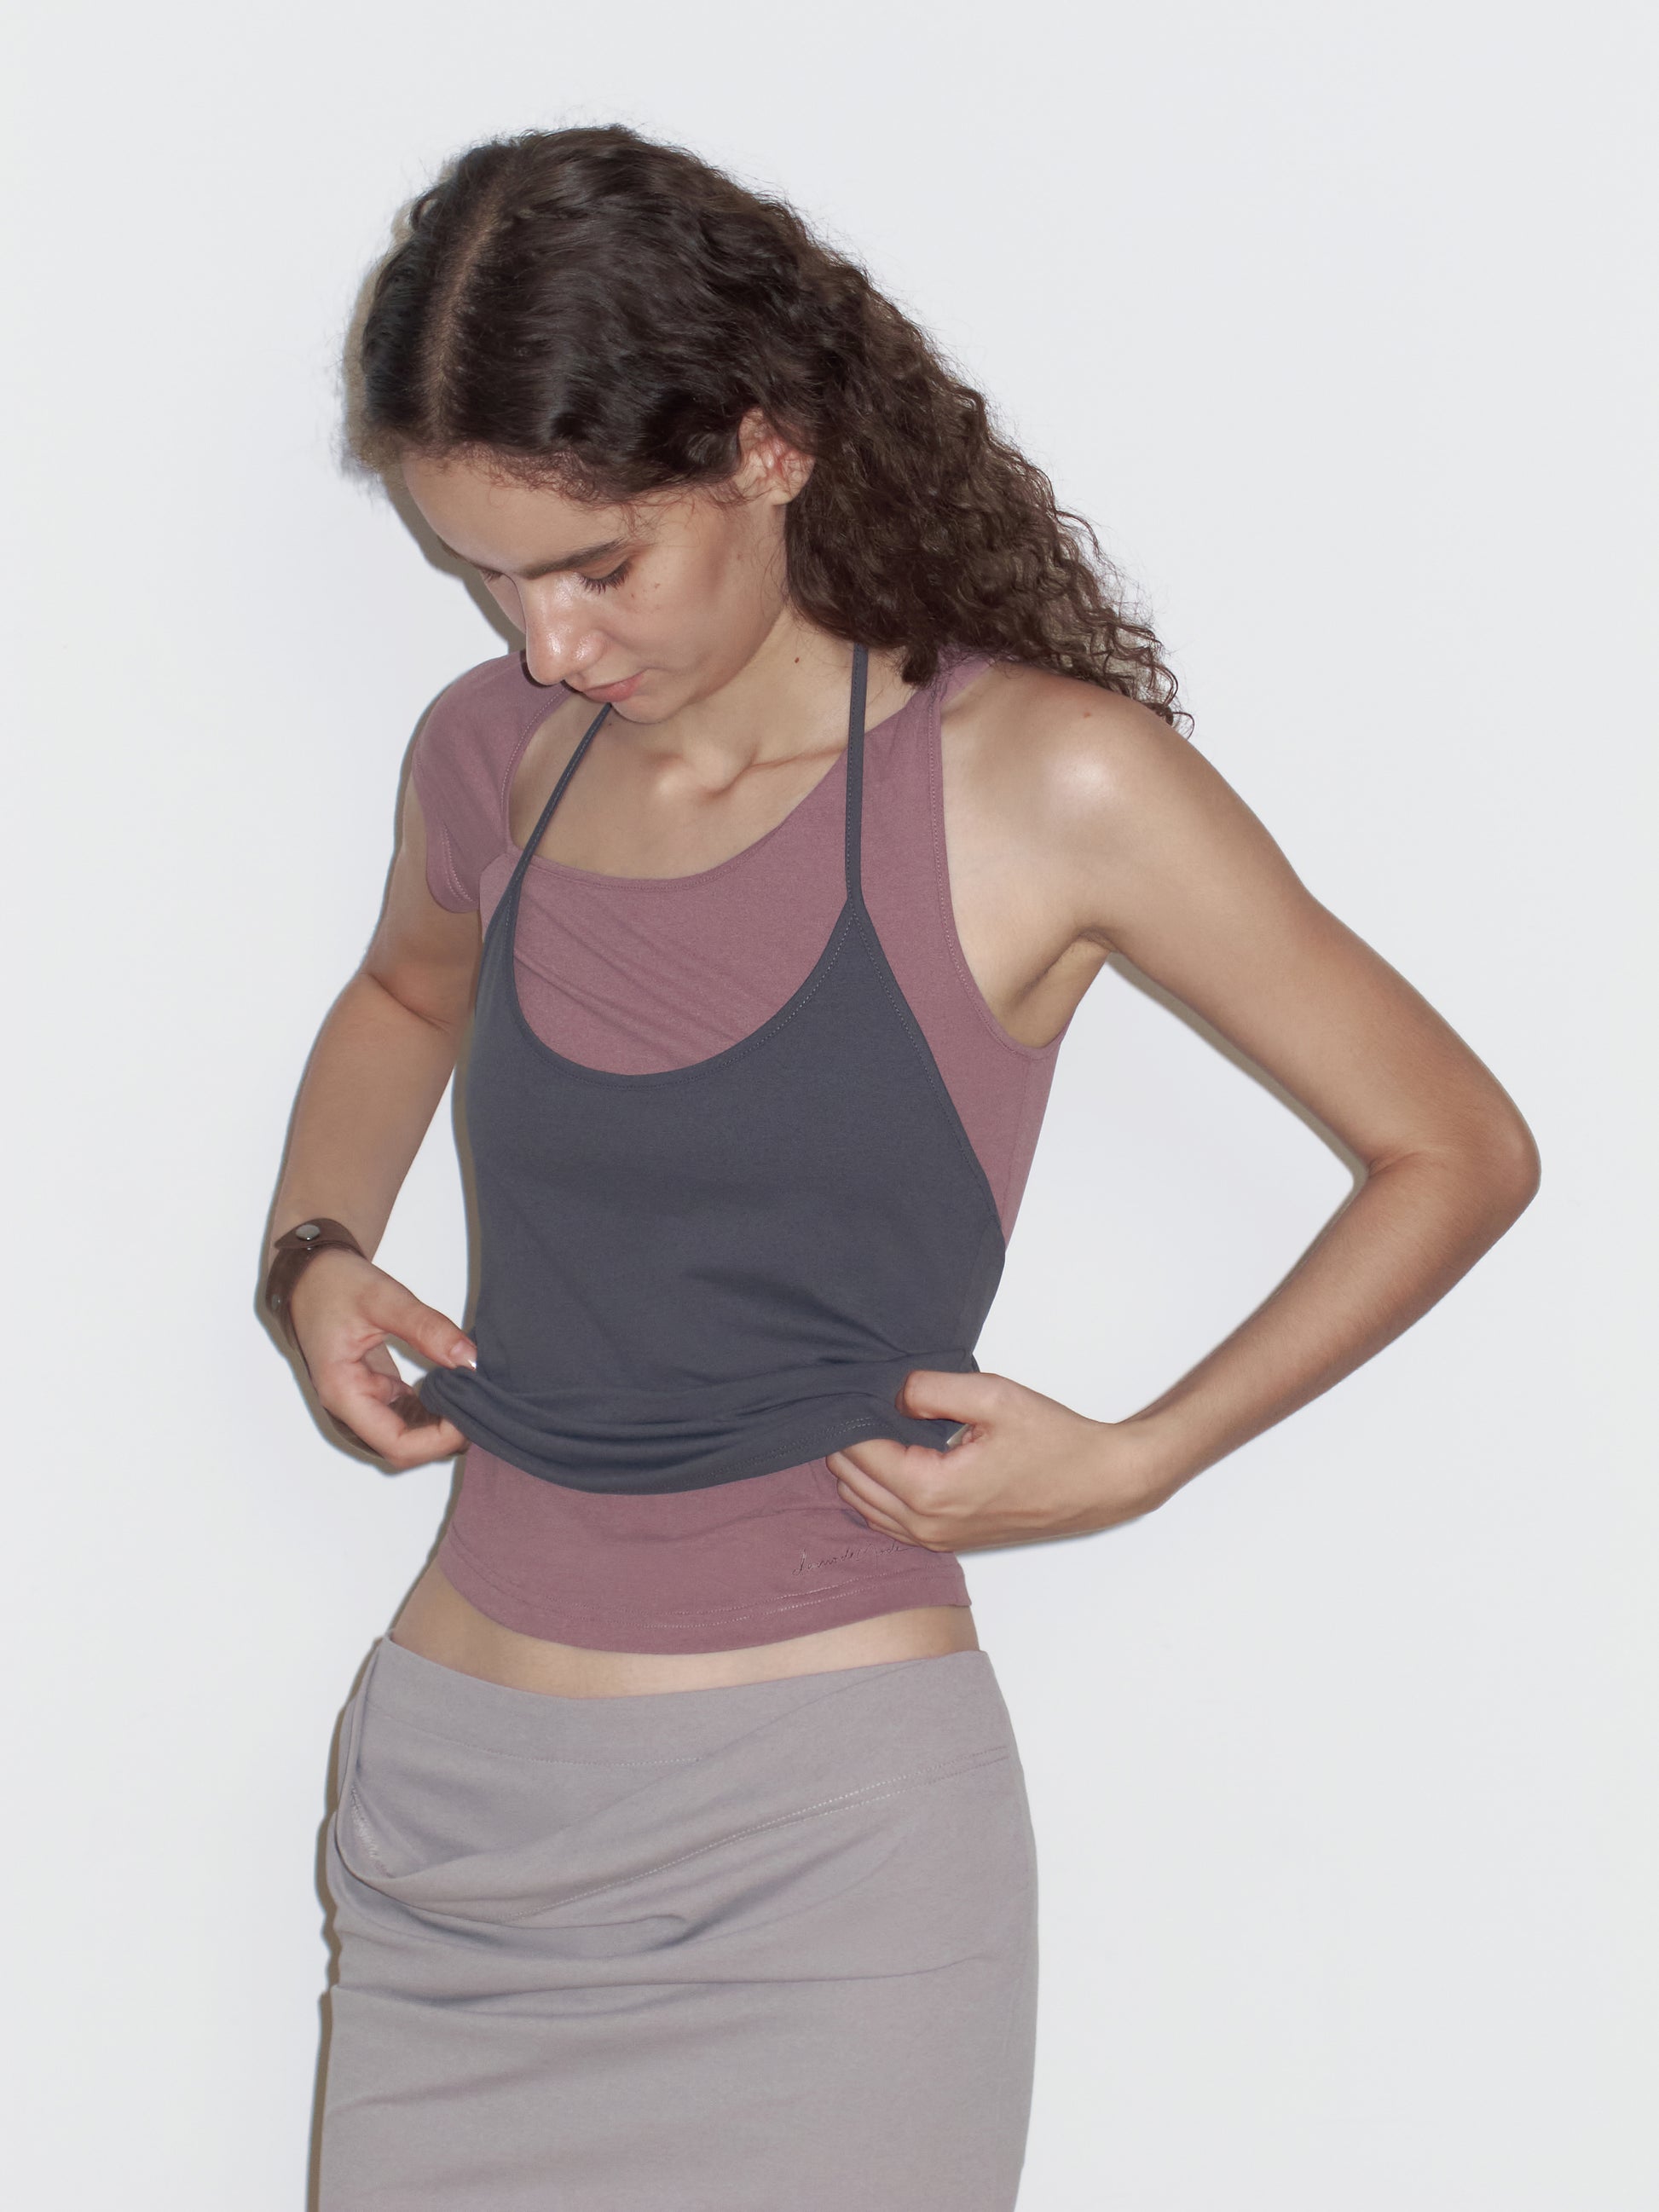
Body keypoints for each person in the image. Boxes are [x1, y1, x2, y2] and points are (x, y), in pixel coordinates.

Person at [264, 123, 1540, 2211]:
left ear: (768, 448)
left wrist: (1144, 1454)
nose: (544, 640)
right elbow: (404, 994)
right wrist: (315, 1248)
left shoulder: (1043, 780)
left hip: (820, 1861)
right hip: (455, 1821)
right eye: (487, 576)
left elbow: (1454, 1143)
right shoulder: (493, 757)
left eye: (596, 566)